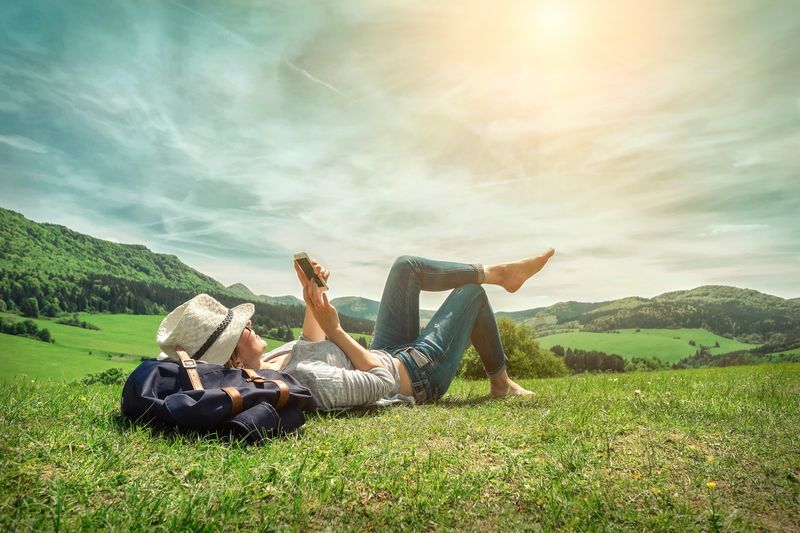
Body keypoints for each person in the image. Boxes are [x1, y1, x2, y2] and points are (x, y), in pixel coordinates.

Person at [157, 249, 555, 411]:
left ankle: (497, 273)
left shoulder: (274, 361)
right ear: (231, 356)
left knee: (405, 266)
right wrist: (339, 331)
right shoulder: (298, 380)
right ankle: (500, 382)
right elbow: (382, 383)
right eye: (241, 329)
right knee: (470, 295)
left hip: (387, 349)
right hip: (414, 374)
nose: (250, 324)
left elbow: (312, 339)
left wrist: (312, 293)